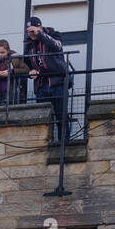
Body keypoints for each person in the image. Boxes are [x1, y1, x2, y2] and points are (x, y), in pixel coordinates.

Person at [23, 15, 71, 144]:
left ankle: (64, 144)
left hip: (57, 82)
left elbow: (57, 46)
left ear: (40, 27)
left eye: (33, 30)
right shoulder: (28, 44)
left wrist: (40, 34)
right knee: (43, 117)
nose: (31, 33)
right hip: (41, 84)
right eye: (29, 31)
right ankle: (45, 144)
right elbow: (27, 63)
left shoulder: (54, 34)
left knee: (61, 115)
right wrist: (30, 72)